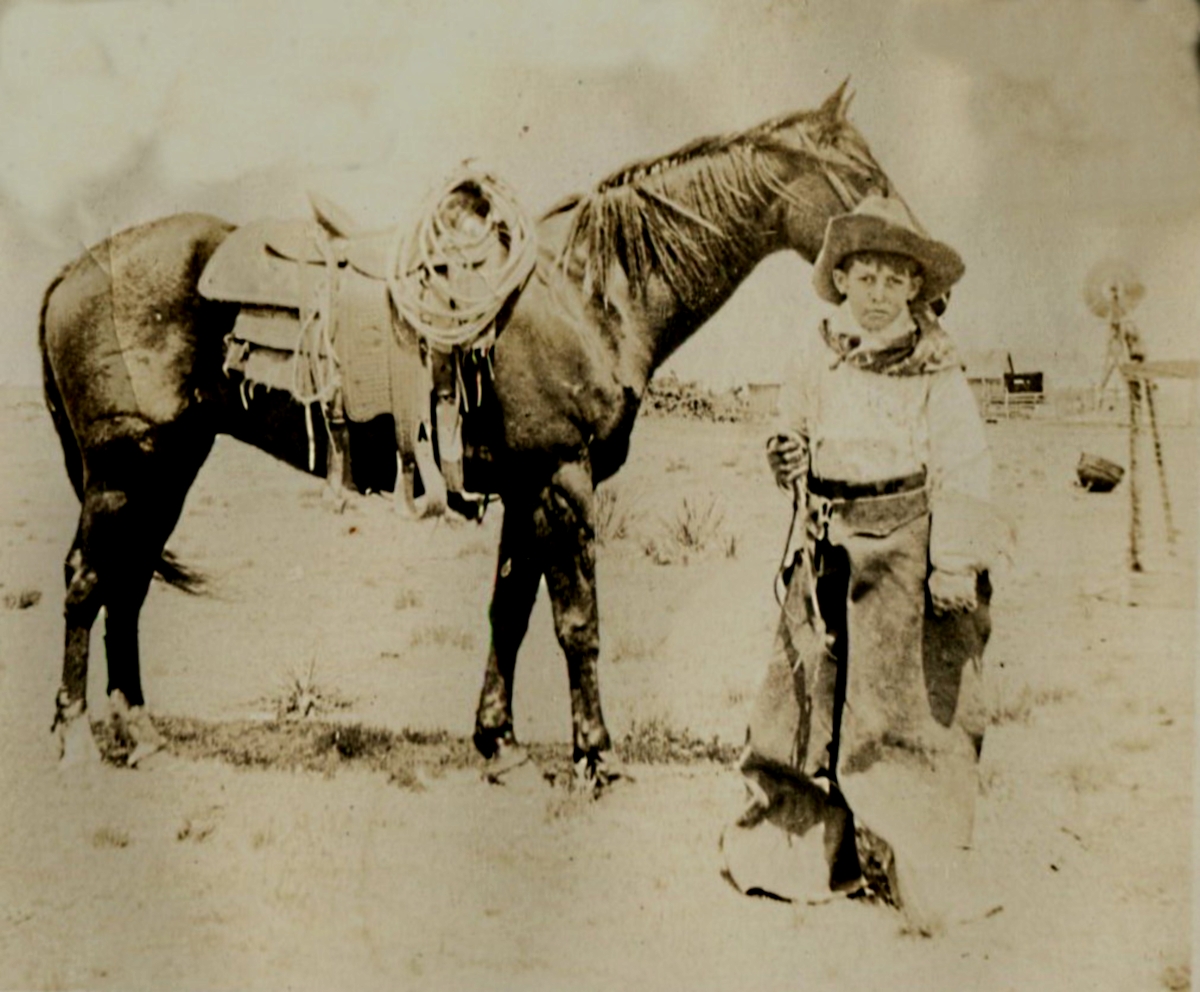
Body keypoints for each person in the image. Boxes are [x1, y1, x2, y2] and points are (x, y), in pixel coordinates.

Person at [720, 195, 1006, 934]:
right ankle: (802, 848)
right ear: (840, 279)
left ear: (916, 289)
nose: (878, 293)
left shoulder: (937, 372)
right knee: (802, 697)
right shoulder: (817, 356)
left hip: (907, 549)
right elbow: (795, 433)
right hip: (827, 542)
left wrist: (952, 566)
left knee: (902, 708)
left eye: (893, 279)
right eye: (864, 276)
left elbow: (965, 470)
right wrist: (786, 454)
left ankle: (911, 858)